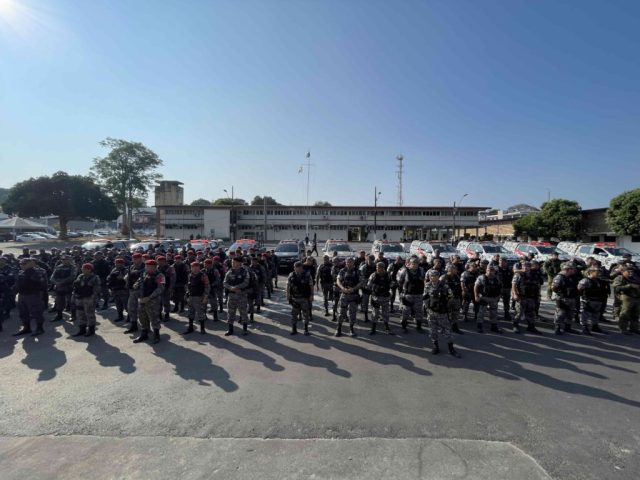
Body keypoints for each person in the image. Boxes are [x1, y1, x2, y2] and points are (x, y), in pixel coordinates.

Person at [424, 269, 460, 357]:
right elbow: (425, 297)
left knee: (447, 331)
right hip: (431, 312)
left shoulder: (444, 286)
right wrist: (427, 307)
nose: (433, 277)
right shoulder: (427, 285)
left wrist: (445, 303)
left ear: (438, 277)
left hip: (442, 313)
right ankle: (435, 346)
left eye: (435, 276)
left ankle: (451, 348)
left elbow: (451, 296)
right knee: (433, 331)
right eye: (431, 276)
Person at [12, 257, 48, 337]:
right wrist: (13, 292)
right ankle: (27, 328)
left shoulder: (37, 272)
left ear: (30, 264)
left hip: (32, 295)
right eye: (21, 264)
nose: (22, 265)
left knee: (36, 312)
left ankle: (39, 328)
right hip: (22, 295)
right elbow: (17, 284)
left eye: (24, 264)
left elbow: (43, 285)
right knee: (23, 313)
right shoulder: (21, 272)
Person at [133, 259, 165, 344]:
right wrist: (136, 284)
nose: (147, 268)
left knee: (154, 317)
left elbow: (161, 288)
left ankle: (156, 335)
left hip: (153, 300)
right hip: (142, 299)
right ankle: (144, 333)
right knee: (142, 316)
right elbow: (139, 281)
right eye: (146, 266)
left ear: (154, 267)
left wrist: (150, 297)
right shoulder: (144, 274)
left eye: (149, 267)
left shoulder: (160, 276)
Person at [71, 263, 101, 337]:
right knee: (80, 314)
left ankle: (91, 330)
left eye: (84, 269)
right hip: (80, 298)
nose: (82, 270)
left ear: (89, 269)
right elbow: (75, 287)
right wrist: (74, 296)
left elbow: (96, 289)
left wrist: (93, 298)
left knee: (90, 314)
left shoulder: (95, 277)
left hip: (89, 299)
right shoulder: (80, 276)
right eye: (82, 268)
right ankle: (82, 329)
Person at [511, 261, 542, 334]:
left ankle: (531, 327)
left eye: (527, 266)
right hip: (521, 296)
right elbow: (514, 285)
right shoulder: (518, 274)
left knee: (531, 313)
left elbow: (538, 286)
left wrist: (538, 296)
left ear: (530, 267)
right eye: (524, 266)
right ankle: (515, 325)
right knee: (519, 312)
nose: (525, 267)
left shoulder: (534, 275)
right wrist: (515, 294)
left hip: (531, 297)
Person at [223, 257, 250, 336]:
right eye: (232, 262)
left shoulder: (245, 272)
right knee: (230, 312)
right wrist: (231, 288)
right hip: (231, 295)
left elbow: (246, 282)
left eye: (234, 262)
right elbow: (224, 283)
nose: (232, 263)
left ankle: (245, 329)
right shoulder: (229, 272)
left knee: (243, 312)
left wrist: (237, 287)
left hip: (241, 295)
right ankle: (230, 330)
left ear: (239, 263)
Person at [577, 266, 608, 335]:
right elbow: (579, 290)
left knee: (596, 314)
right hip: (588, 300)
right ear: (591, 272)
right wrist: (583, 298)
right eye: (597, 272)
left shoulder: (598, 280)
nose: (599, 273)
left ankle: (595, 326)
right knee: (585, 314)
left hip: (597, 300)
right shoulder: (585, 280)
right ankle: (584, 327)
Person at [335, 257, 361, 337]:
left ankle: (351, 329)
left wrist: (354, 289)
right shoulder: (343, 271)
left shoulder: (357, 271)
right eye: (347, 262)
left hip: (354, 295)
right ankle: (338, 329)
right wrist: (342, 288)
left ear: (353, 263)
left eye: (350, 262)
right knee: (341, 313)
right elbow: (338, 280)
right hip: (344, 294)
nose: (348, 263)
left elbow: (361, 282)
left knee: (352, 313)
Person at [286, 261, 314, 335]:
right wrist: (288, 294)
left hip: (304, 298)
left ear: (301, 268)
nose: (297, 269)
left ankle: (306, 329)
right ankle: (294, 329)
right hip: (295, 298)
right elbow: (288, 285)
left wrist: (311, 295)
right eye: (295, 267)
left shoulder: (307, 275)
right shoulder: (291, 275)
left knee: (306, 315)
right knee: (294, 314)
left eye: (298, 267)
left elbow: (311, 285)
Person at [474, 265, 504, 333]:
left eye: (491, 270)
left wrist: (499, 295)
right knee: (481, 312)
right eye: (488, 270)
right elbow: (476, 286)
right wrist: (476, 296)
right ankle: (479, 326)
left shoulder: (497, 278)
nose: (490, 271)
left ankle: (494, 326)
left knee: (494, 313)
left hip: (493, 298)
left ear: (494, 271)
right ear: (486, 270)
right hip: (484, 297)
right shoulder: (481, 277)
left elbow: (500, 286)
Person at [552, 263, 580, 335]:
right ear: (567, 270)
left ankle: (567, 327)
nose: (574, 270)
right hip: (563, 298)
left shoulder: (573, 277)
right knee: (560, 314)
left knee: (570, 314)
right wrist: (561, 293)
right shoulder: (560, 277)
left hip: (572, 298)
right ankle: (557, 328)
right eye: (572, 269)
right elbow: (554, 288)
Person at [612, 266, 640, 335]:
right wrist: (629, 286)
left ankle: (634, 328)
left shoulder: (636, 278)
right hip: (627, 297)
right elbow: (617, 288)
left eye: (632, 272)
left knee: (635, 314)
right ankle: (623, 328)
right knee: (625, 314)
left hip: (637, 298)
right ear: (623, 272)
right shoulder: (620, 278)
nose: (631, 273)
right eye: (628, 271)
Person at [367, 262, 393, 334]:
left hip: (385, 297)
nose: (377, 269)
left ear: (383, 268)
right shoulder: (373, 275)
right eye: (377, 267)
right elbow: (369, 285)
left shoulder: (388, 275)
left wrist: (390, 290)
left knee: (386, 313)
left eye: (379, 267)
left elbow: (391, 284)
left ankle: (387, 327)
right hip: (376, 297)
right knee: (375, 313)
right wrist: (375, 289)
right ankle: (373, 329)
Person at [400, 258, 425, 333]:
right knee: (406, 311)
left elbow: (424, 279)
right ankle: (404, 326)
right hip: (408, 295)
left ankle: (419, 326)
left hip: (418, 294)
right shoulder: (405, 271)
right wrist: (403, 291)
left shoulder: (421, 270)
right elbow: (400, 280)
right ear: (410, 264)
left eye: (416, 264)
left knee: (419, 311)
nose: (415, 265)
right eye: (413, 264)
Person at [184, 261, 210, 334]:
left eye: (196, 267)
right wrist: (187, 295)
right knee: (190, 313)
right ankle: (190, 327)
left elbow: (207, 287)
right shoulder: (190, 275)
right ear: (191, 268)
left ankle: (202, 329)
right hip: (191, 297)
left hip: (200, 297)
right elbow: (188, 286)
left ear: (199, 268)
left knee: (200, 314)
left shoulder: (203, 276)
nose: (195, 269)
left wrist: (205, 297)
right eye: (193, 267)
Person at [124, 253, 145, 334]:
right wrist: (126, 279)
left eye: (136, 258)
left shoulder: (145, 266)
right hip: (132, 290)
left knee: (143, 310)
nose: (134, 260)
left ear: (140, 259)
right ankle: (134, 325)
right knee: (131, 308)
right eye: (133, 259)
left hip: (142, 291)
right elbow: (127, 275)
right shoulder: (131, 266)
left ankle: (145, 327)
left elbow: (146, 276)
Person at [50, 255, 76, 322]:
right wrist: (56, 282)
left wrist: (61, 282)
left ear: (69, 259)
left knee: (71, 301)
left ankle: (73, 315)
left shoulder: (72, 267)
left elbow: (72, 276)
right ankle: (59, 315)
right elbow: (52, 277)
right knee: (59, 301)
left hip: (69, 287)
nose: (64, 260)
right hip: (59, 287)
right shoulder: (58, 267)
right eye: (63, 259)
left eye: (66, 259)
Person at [106, 257, 128, 322]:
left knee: (126, 304)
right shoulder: (114, 270)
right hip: (115, 289)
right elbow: (109, 278)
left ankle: (130, 317)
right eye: (116, 263)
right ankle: (120, 316)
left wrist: (122, 278)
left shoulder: (125, 270)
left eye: (118, 263)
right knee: (118, 304)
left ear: (122, 264)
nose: (116, 264)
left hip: (123, 290)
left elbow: (128, 279)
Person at [358, 255, 377, 323]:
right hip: (365, 287)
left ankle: (374, 316)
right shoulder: (363, 267)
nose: (370, 261)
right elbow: (360, 278)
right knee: (365, 302)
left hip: (373, 287)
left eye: (372, 260)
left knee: (374, 302)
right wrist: (364, 286)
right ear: (367, 260)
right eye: (369, 260)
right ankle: (366, 317)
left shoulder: (375, 266)